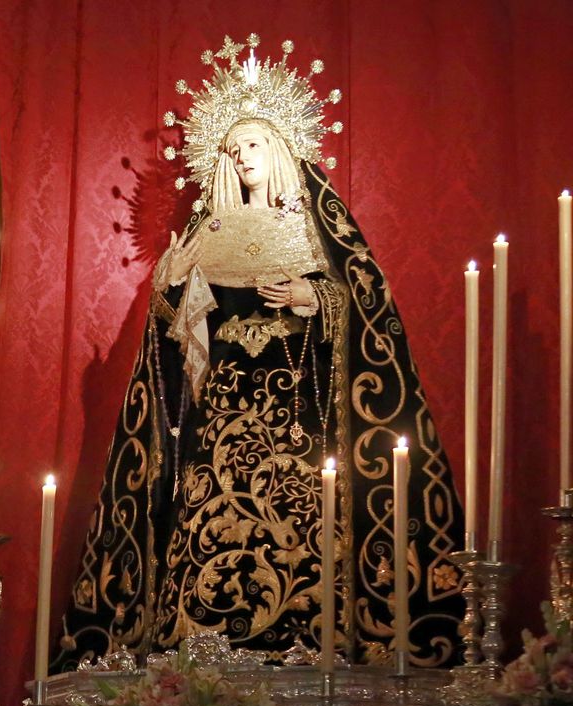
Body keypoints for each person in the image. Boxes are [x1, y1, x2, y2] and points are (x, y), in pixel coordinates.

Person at [60, 35, 466, 668]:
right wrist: (172, 289)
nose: (241, 156)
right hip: (220, 416)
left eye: (252, 144)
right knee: (205, 519)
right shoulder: (207, 234)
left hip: (298, 421)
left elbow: (371, 308)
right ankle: (200, 658)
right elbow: (176, 343)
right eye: (232, 148)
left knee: (303, 521)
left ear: (279, 150)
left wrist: (316, 297)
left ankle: (307, 646)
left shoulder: (318, 229)